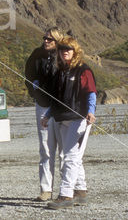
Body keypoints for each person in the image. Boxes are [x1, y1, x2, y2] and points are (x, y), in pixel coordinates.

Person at [43, 36, 97, 210]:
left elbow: (91, 93)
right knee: (70, 155)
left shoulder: (83, 70)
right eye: (62, 49)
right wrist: (48, 114)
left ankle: (66, 194)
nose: (65, 52)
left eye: (68, 49)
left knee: (70, 157)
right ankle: (80, 191)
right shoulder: (59, 71)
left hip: (79, 118)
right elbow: (55, 98)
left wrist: (91, 111)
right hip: (61, 117)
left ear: (75, 51)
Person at [24, 27, 63, 201]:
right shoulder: (36, 55)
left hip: (62, 108)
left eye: (50, 39)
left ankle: (67, 190)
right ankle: (46, 189)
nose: (46, 41)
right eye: (45, 38)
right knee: (46, 149)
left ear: (57, 41)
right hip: (42, 105)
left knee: (64, 150)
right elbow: (27, 75)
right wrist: (35, 91)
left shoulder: (64, 56)